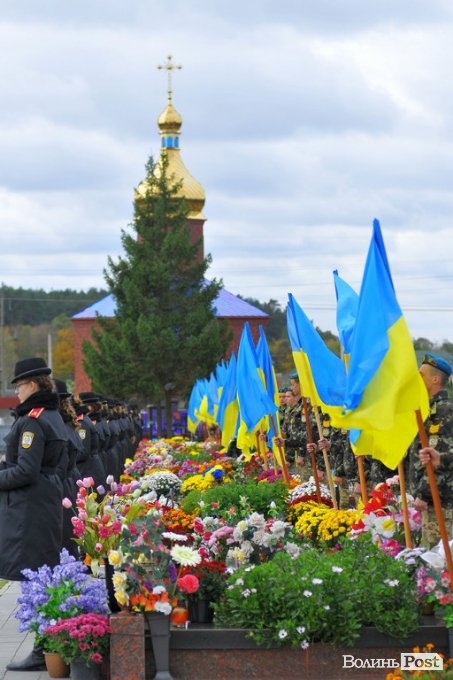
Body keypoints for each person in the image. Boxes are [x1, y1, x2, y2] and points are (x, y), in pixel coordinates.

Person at [2, 358, 67, 672]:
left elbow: (26, 471)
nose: (16, 392)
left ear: (32, 384)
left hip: (31, 508)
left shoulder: (33, 420)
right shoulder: (52, 415)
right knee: (44, 575)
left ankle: (44, 650)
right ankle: (49, 646)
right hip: (46, 501)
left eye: (18, 385)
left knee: (36, 578)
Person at [409, 353, 453, 548]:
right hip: (433, 500)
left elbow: (436, 457)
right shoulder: (429, 408)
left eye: (421, 375)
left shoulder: (443, 411)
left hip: (440, 500)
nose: (418, 379)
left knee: (438, 555)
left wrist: (424, 493)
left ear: (435, 379)